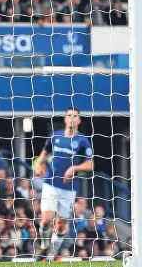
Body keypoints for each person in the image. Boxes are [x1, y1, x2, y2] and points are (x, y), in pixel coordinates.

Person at [34, 107, 93, 257]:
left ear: (79, 120)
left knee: (60, 225)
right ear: (65, 119)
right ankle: (44, 245)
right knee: (46, 218)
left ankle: (52, 254)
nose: (72, 118)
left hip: (68, 187)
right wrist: (40, 163)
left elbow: (90, 164)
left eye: (75, 116)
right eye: (69, 116)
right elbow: (45, 151)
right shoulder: (55, 136)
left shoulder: (82, 141)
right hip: (51, 182)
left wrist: (74, 168)